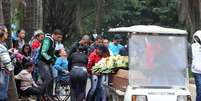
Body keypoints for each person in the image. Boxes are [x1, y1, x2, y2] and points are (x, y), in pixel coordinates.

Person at [37, 29, 63, 97]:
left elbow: (51, 53)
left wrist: (55, 58)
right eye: (58, 37)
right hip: (42, 62)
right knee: (48, 78)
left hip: (47, 63)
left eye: (60, 37)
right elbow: (43, 52)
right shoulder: (47, 40)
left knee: (51, 79)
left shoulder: (53, 41)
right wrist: (51, 59)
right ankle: (39, 95)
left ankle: (50, 96)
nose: (59, 39)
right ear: (54, 35)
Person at [0, 25, 14, 101]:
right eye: (6, 32)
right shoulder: (2, 46)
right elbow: (9, 65)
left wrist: (7, 52)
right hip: (3, 73)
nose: (7, 34)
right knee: (2, 95)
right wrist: (13, 57)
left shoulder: (3, 45)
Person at [191, 30, 201, 101]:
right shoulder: (193, 46)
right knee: (200, 88)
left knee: (199, 89)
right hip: (197, 71)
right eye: (196, 38)